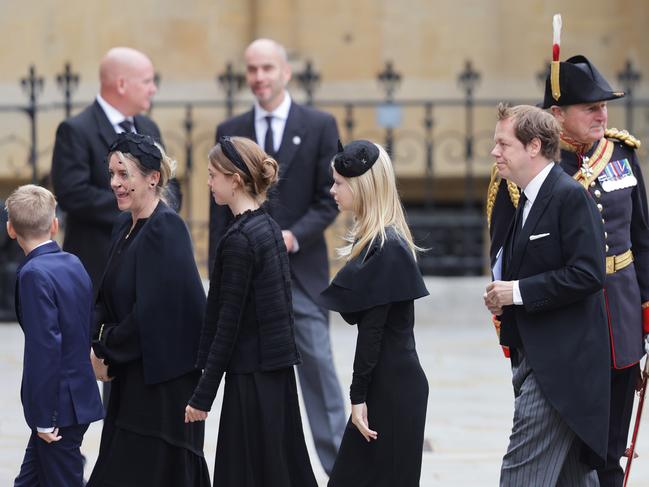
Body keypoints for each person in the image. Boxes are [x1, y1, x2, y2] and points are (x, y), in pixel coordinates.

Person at [208, 37, 346, 474]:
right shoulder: (229, 130)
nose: (259, 77)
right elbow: (220, 216)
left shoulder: (321, 125)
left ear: (286, 72)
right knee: (254, 375)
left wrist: (293, 236)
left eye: (267, 68)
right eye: (252, 69)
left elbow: (330, 200)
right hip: (245, 279)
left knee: (319, 372)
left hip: (302, 274)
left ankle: (341, 470)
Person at [484, 104, 610, 486]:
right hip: (537, 358)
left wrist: (517, 292)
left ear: (534, 146)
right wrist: (505, 296)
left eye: (503, 144)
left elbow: (589, 273)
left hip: (560, 370)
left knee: (520, 477)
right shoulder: (526, 198)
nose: (495, 152)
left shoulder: (569, 196)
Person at [541, 55, 649, 487]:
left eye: (604, 105)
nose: (602, 114)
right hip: (567, 322)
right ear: (557, 115)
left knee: (610, 447)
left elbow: (641, 237)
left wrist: (645, 309)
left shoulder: (621, 153)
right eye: (590, 107)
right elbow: (506, 255)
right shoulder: (536, 167)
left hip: (620, 317)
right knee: (565, 446)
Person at [185, 136, 317, 487]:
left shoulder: (240, 239)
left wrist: (203, 395)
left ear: (235, 180)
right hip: (275, 374)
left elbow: (228, 324)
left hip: (251, 381)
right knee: (279, 469)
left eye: (214, 175)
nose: (209, 183)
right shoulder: (269, 228)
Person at [86, 133, 209, 486]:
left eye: (124, 175)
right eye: (112, 174)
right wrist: (95, 343)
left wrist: (105, 349)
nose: (114, 183)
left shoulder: (166, 229)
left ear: (153, 177)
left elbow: (153, 314)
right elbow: (105, 296)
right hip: (131, 376)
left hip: (164, 388)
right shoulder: (125, 226)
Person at [317, 140, 429, 486]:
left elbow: (373, 333)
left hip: (392, 390)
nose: (332, 190)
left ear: (361, 185)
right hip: (389, 384)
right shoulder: (377, 241)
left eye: (339, 182)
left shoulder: (387, 246)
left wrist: (357, 398)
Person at [51, 46, 180, 291]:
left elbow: (169, 183)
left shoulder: (148, 127)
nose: (153, 89)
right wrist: (138, 206)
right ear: (122, 85)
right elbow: (73, 194)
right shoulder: (76, 130)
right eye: (147, 81)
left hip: (150, 260)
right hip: (99, 264)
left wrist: (158, 215)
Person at [6, 184, 104, 486]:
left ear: (11, 229)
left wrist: (44, 416)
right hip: (77, 398)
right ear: (54, 224)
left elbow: (45, 348)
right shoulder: (73, 263)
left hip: (58, 410)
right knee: (30, 480)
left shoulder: (33, 274)